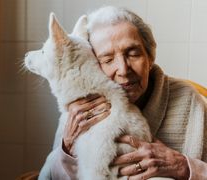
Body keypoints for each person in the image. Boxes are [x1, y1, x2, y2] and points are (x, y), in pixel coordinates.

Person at [42, 6, 207, 180]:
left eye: (133, 53)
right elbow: (51, 176)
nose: (123, 69)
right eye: (107, 59)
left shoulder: (189, 100)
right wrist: (67, 149)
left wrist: (184, 166)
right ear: (92, 64)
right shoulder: (81, 107)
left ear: (150, 57)